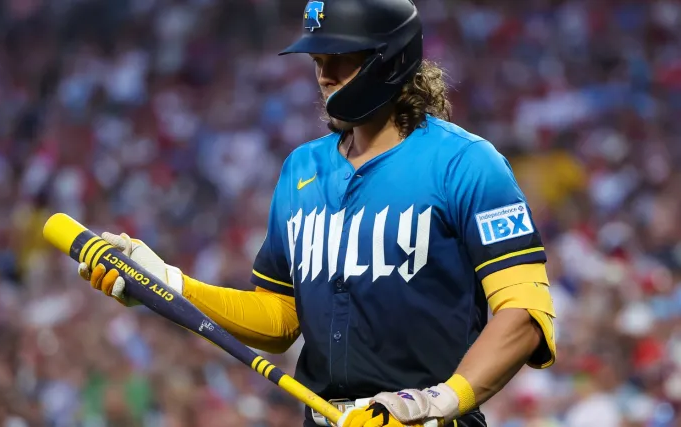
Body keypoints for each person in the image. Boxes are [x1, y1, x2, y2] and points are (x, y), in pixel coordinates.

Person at [77, 0, 557, 426]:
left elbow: (525, 313)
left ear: (389, 61)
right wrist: (170, 285)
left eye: (340, 61)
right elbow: (280, 317)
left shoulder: (466, 164)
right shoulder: (300, 169)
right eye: (317, 61)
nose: (324, 76)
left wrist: (432, 403)